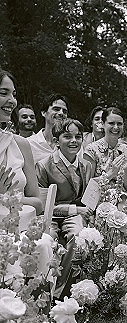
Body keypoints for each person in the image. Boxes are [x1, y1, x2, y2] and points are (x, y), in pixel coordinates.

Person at [36, 119, 92, 241]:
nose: (73, 141)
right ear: (56, 141)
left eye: (78, 137)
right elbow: (43, 206)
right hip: (50, 215)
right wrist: (76, 209)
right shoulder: (43, 166)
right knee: (47, 236)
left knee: (79, 235)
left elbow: (86, 197)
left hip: (76, 216)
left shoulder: (86, 165)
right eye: (67, 137)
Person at [0, 69, 43, 214]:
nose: (12, 101)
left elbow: (37, 203)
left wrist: (5, 197)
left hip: (18, 228)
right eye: (3, 93)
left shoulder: (21, 145)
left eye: (14, 94)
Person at [83, 106, 127, 190]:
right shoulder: (91, 150)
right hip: (99, 200)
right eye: (111, 123)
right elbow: (88, 186)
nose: (116, 127)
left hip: (123, 200)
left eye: (119, 124)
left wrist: (126, 171)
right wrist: (111, 173)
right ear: (103, 124)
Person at [27, 93, 68, 163]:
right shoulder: (29, 144)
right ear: (44, 113)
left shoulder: (72, 143)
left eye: (64, 111)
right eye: (56, 109)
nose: (61, 113)